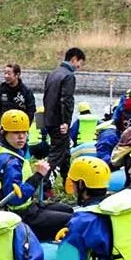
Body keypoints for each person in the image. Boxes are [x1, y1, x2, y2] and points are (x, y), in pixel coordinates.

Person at [0, 110, 73, 241]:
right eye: (16, 133)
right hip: (20, 214)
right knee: (70, 219)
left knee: (68, 209)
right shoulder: (9, 162)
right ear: (3, 132)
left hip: (29, 207)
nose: (21, 137)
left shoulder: (8, 152)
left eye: (24, 132)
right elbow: (15, 199)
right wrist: (38, 176)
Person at [43, 48, 85, 184]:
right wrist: (65, 122)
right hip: (59, 122)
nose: (79, 67)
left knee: (65, 152)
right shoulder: (68, 76)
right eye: (80, 63)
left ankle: (68, 182)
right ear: (74, 59)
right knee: (56, 154)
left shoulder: (52, 74)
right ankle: (42, 183)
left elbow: (45, 98)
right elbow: (66, 101)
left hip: (48, 119)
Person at [0, 63, 36, 140]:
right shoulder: (2, 89)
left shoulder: (26, 91)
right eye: (5, 73)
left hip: (20, 129)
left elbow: (31, 111)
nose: (6, 76)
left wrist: (26, 128)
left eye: (9, 74)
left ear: (17, 75)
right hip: (4, 128)